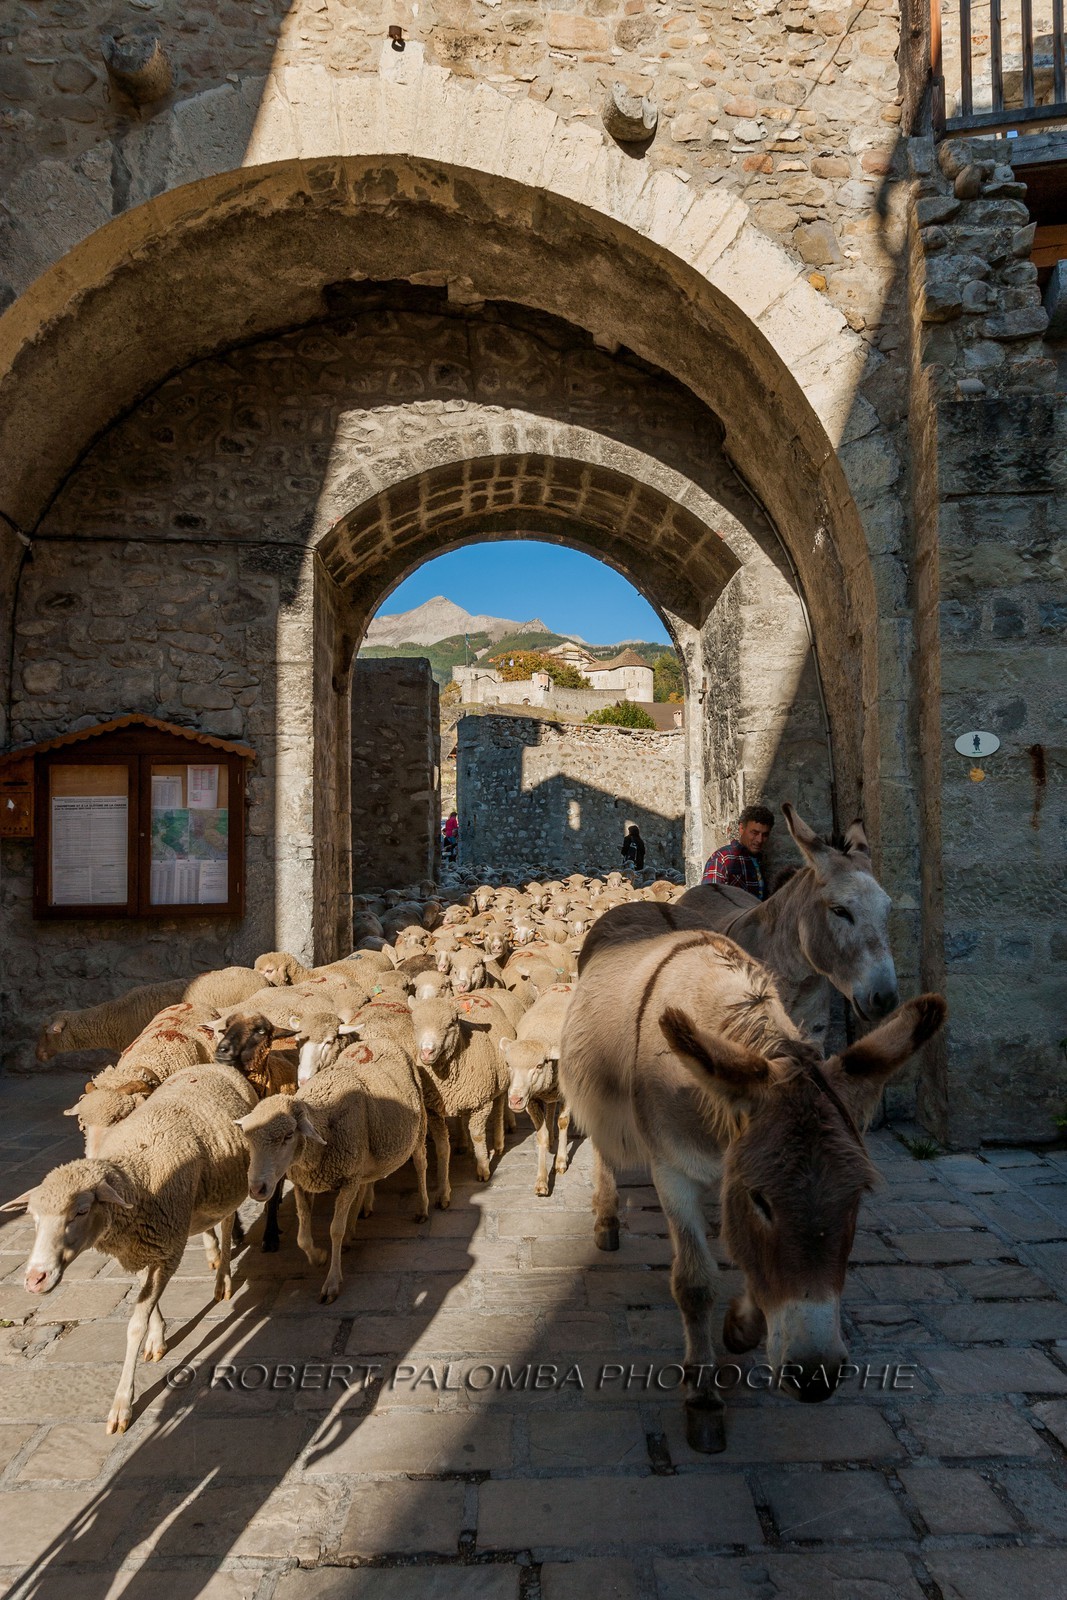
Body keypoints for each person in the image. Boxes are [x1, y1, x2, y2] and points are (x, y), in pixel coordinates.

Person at [701, 804, 773, 900]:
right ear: (741, 828)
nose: (759, 840)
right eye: (754, 833)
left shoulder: (762, 861)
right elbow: (708, 899)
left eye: (765, 835)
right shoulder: (722, 859)